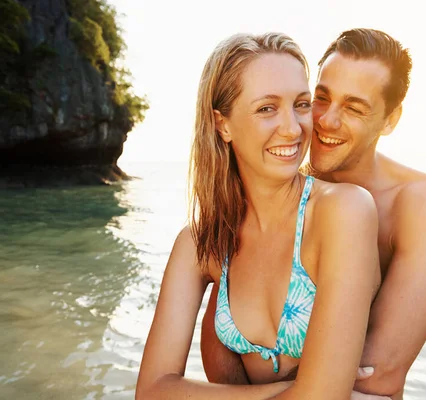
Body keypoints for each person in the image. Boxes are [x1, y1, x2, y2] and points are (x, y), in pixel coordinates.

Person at [200, 28, 426, 400]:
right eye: (320, 99)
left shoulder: (424, 207)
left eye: (354, 108)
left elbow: (377, 376)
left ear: (390, 120)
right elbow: (222, 354)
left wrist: (311, 384)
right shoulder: (274, 189)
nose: (326, 121)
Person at [135, 32, 386, 400]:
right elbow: (151, 390)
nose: (293, 127)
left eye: (301, 104)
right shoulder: (199, 244)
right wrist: (290, 389)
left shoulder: (343, 211)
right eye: (267, 108)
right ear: (223, 124)